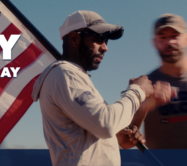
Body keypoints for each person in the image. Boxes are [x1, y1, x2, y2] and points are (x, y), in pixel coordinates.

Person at [31, 10, 171, 166]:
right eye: (98, 38)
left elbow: (95, 135)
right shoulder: (64, 74)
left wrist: (117, 138)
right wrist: (138, 90)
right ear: (74, 39)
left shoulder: (73, 76)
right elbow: (105, 124)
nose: (105, 48)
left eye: (106, 41)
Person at [131, 13, 187, 149]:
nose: (169, 42)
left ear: (185, 38)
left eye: (175, 36)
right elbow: (123, 137)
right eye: (162, 37)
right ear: (154, 43)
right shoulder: (144, 85)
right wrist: (145, 105)